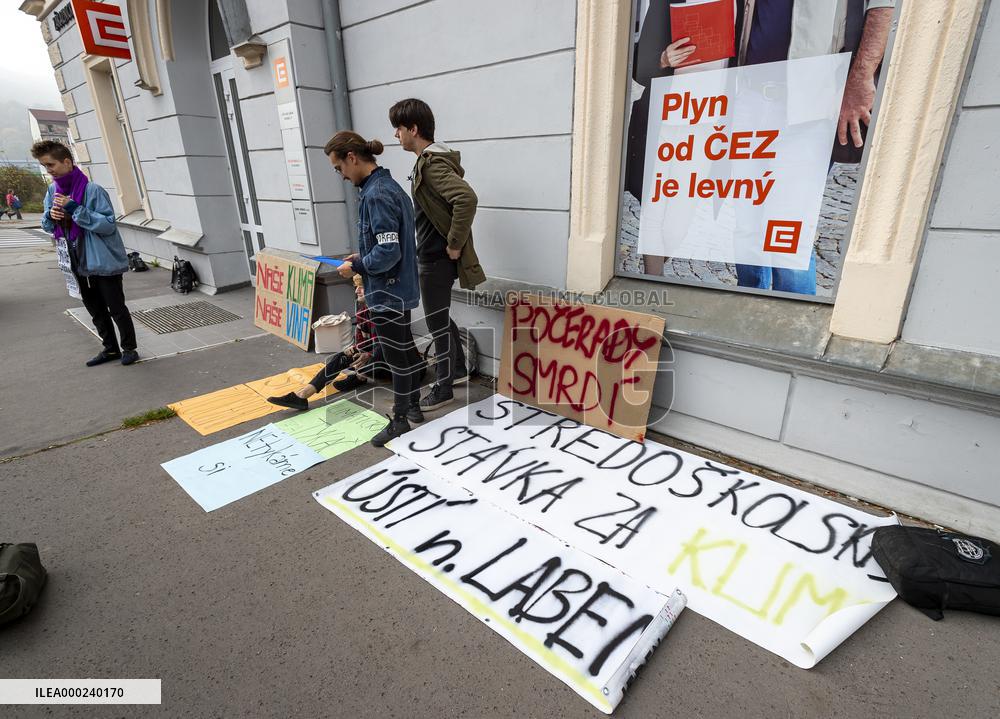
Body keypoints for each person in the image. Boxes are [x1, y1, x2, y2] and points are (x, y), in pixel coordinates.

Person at [732, 0, 895, 293]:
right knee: (746, 224)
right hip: (748, 95)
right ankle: (748, 308)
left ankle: (792, 326)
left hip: (812, 102)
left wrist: (860, 80)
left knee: (787, 231)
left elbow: (882, 6)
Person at [327, 131, 424, 447]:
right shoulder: (389, 187)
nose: (340, 175)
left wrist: (355, 266)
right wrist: (360, 257)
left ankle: (400, 421)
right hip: (399, 287)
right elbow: (389, 244)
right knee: (403, 350)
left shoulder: (377, 194)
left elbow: (388, 253)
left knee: (396, 356)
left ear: (352, 158)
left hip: (387, 291)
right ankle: (413, 405)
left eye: (339, 167)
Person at [389, 98, 486, 411]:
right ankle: (455, 370)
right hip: (431, 256)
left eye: (399, 129)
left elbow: (466, 198)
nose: (395, 135)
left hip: (435, 258)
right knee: (440, 318)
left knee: (436, 323)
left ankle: (444, 387)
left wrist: (455, 243)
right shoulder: (429, 161)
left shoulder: (431, 164)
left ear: (413, 129)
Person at [32, 140, 139, 366]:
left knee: (116, 308)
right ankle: (110, 349)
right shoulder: (52, 191)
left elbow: (108, 225)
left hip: (101, 261)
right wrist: (51, 216)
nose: (48, 171)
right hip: (74, 260)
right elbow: (47, 226)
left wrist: (75, 209)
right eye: (44, 166)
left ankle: (129, 348)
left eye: (50, 165)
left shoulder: (93, 190)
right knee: (95, 308)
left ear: (67, 162)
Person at [266, 277, 394, 410]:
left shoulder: (386, 312)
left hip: (391, 366)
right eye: (356, 286)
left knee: (375, 354)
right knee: (341, 357)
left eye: (361, 287)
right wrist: (355, 350)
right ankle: (302, 395)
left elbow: (388, 347)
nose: (357, 290)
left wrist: (368, 354)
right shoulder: (363, 312)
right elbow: (362, 342)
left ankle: (359, 376)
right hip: (375, 359)